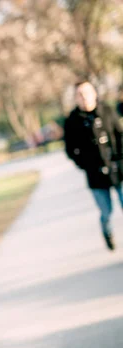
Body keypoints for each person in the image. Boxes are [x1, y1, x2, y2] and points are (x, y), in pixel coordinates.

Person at [64, 80, 123, 250]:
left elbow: (119, 134)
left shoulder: (107, 110)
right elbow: (70, 150)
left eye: (87, 92)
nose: (84, 97)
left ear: (94, 93)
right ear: (76, 98)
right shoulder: (72, 121)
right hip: (95, 175)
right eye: (80, 94)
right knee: (106, 212)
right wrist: (84, 164)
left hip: (118, 169)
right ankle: (107, 232)